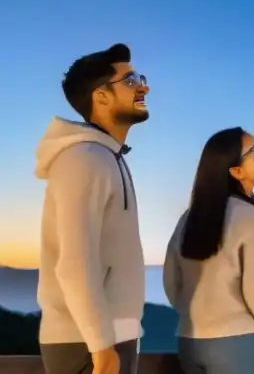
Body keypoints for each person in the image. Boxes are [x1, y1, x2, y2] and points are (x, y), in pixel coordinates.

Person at [35, 44, 150, 374]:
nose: (144, 86)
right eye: (130, 81)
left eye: (140, 78)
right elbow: (75, 261)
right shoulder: (84, 159)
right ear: (101, 96)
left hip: (107, 336)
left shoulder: (108, 157)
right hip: (87, 342)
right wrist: (102, 347)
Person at [163, 127, 254, 374]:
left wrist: (190, 312)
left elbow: (171, 281)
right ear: (236, 171)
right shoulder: (253, 217)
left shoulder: (188, 217)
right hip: (237, 341)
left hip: (189, 338)